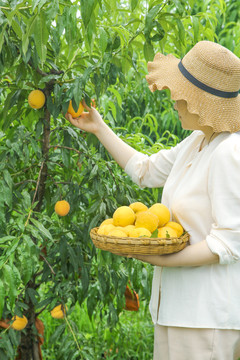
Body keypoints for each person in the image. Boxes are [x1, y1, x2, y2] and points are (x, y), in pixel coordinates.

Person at [66, 40, 240, 360]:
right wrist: (98, 127)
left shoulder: (229, 152)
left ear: (199, 100)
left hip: (205, 317)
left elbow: (229, 242)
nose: (173, 97)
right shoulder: (197, 141)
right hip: (175, 310)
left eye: (180, 90)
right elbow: (145, 171)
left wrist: (159, 259)